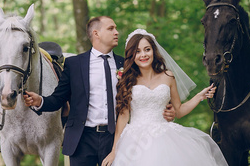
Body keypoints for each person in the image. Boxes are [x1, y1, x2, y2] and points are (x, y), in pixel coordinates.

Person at [24, 17, 175, 166]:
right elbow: (58, 98)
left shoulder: (126, 64)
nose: (116, 32)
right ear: (96, 34)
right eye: (111, 28)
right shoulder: (74, 64)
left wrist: (169, 108)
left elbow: (148, 86)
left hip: (116, 138)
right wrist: (41, 101)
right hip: (81, 139)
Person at [101, 29, 228, 166]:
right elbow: (123, 117)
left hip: (166, 137)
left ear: (154, 51)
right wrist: (114, 150)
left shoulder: (168, 76)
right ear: (132, 55)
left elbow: (179, 110)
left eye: (147, 49)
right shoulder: (127, 80)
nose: (143, 55)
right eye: (137, 51)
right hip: (135, 141)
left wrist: (199, 96)